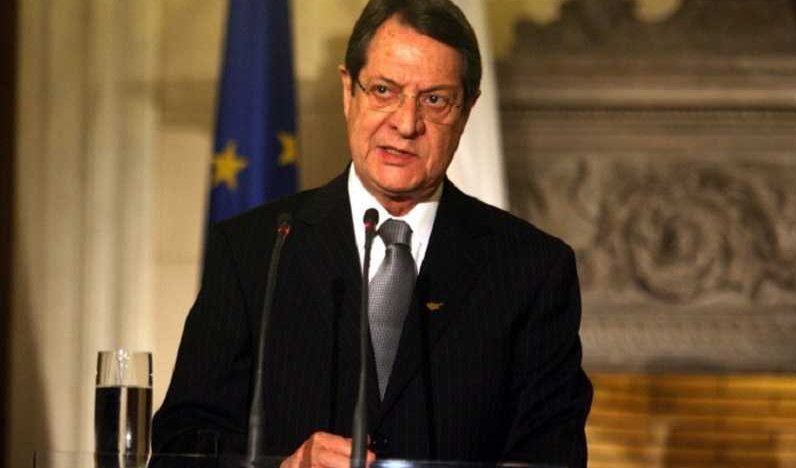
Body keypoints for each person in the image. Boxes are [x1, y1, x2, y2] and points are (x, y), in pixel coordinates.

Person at [151, 0, 593, 466]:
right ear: (349, 91)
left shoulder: (531, 270)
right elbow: (181, 446)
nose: (405, 124)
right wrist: (284, 467)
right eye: (384, 90)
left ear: (466, 111)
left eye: (435, 100)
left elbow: (552, 455)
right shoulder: (256, 251)